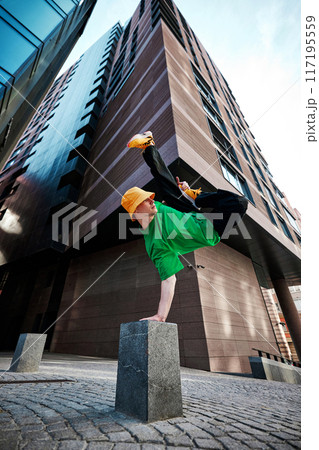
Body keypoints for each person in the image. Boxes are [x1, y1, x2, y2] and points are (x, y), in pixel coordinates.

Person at [121, 131, 248, 322]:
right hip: (210, 230)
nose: (151, 200)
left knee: (166, 184)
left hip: (190, 213)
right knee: (239, 202)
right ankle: (195, 196)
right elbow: (169, 279)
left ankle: (148, 146)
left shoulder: (159, 206)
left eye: (149, 197)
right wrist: (160, 315)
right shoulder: (156, 245)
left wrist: (185, 194)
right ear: (135, 212)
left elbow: (164, 178)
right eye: (145, 200)